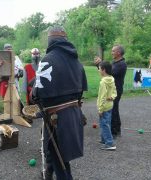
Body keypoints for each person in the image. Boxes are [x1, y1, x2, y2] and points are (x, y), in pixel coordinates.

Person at [32, 25, 87, 180]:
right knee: (55, 151)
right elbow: (81, 89)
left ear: (51, 40)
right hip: (74, 113)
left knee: (61, 162)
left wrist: (34, 91)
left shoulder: (48, 59)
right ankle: (48, 173)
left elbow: (37, 94)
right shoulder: (77, 61)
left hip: (56, 118)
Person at [94, 45, 127, 137]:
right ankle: (113, 129)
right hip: (110, 90)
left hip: (115, 91)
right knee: (112, 109)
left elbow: (110, 72)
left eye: (113, 51)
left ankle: (115, 131)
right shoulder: (114, 62)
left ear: (118, 53)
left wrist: (101, 63)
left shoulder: (122, 64)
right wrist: (98, 65)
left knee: (114, 109)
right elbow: (105, 72)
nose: (111, 52)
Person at [97, 61, 117, 150]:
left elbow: (102, 96)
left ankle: (109, 143)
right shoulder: (112, 79)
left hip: (104, 107)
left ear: (103, 70)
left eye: (99, 68)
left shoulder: (103, 82)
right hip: (110, 105)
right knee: (106, 123)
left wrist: (100, 109)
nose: (98, 70)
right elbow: (115, 92)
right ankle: (104, 139)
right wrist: (112, 97)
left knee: (104, 124)